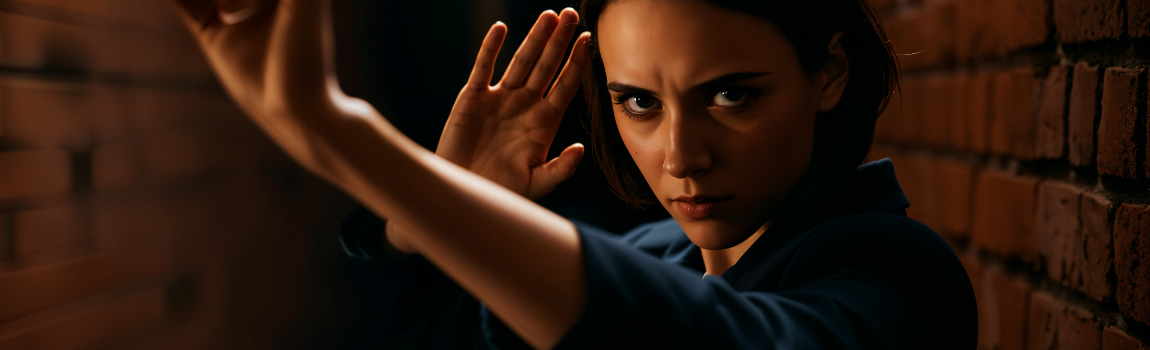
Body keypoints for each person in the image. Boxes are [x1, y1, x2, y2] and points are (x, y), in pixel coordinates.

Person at [170, 0, 977, 348]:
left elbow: (714, 341)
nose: (679, 155)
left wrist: (347, 138)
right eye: (638, 102)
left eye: (730, 95)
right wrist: (425, 221)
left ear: (828, 74)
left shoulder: (896, 278)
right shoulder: (655, 249)